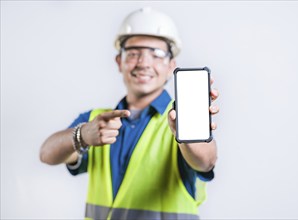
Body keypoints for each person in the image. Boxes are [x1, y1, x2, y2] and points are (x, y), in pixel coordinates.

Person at [40, 7, 219, 220]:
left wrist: (187, 133)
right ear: (119, 62)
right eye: (134, 53)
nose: (144, 63)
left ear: (171, 66)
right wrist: (82, 135)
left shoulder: (179, 119)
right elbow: (46, 154)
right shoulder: (96, 121)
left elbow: (206, 161)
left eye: (156, 54)